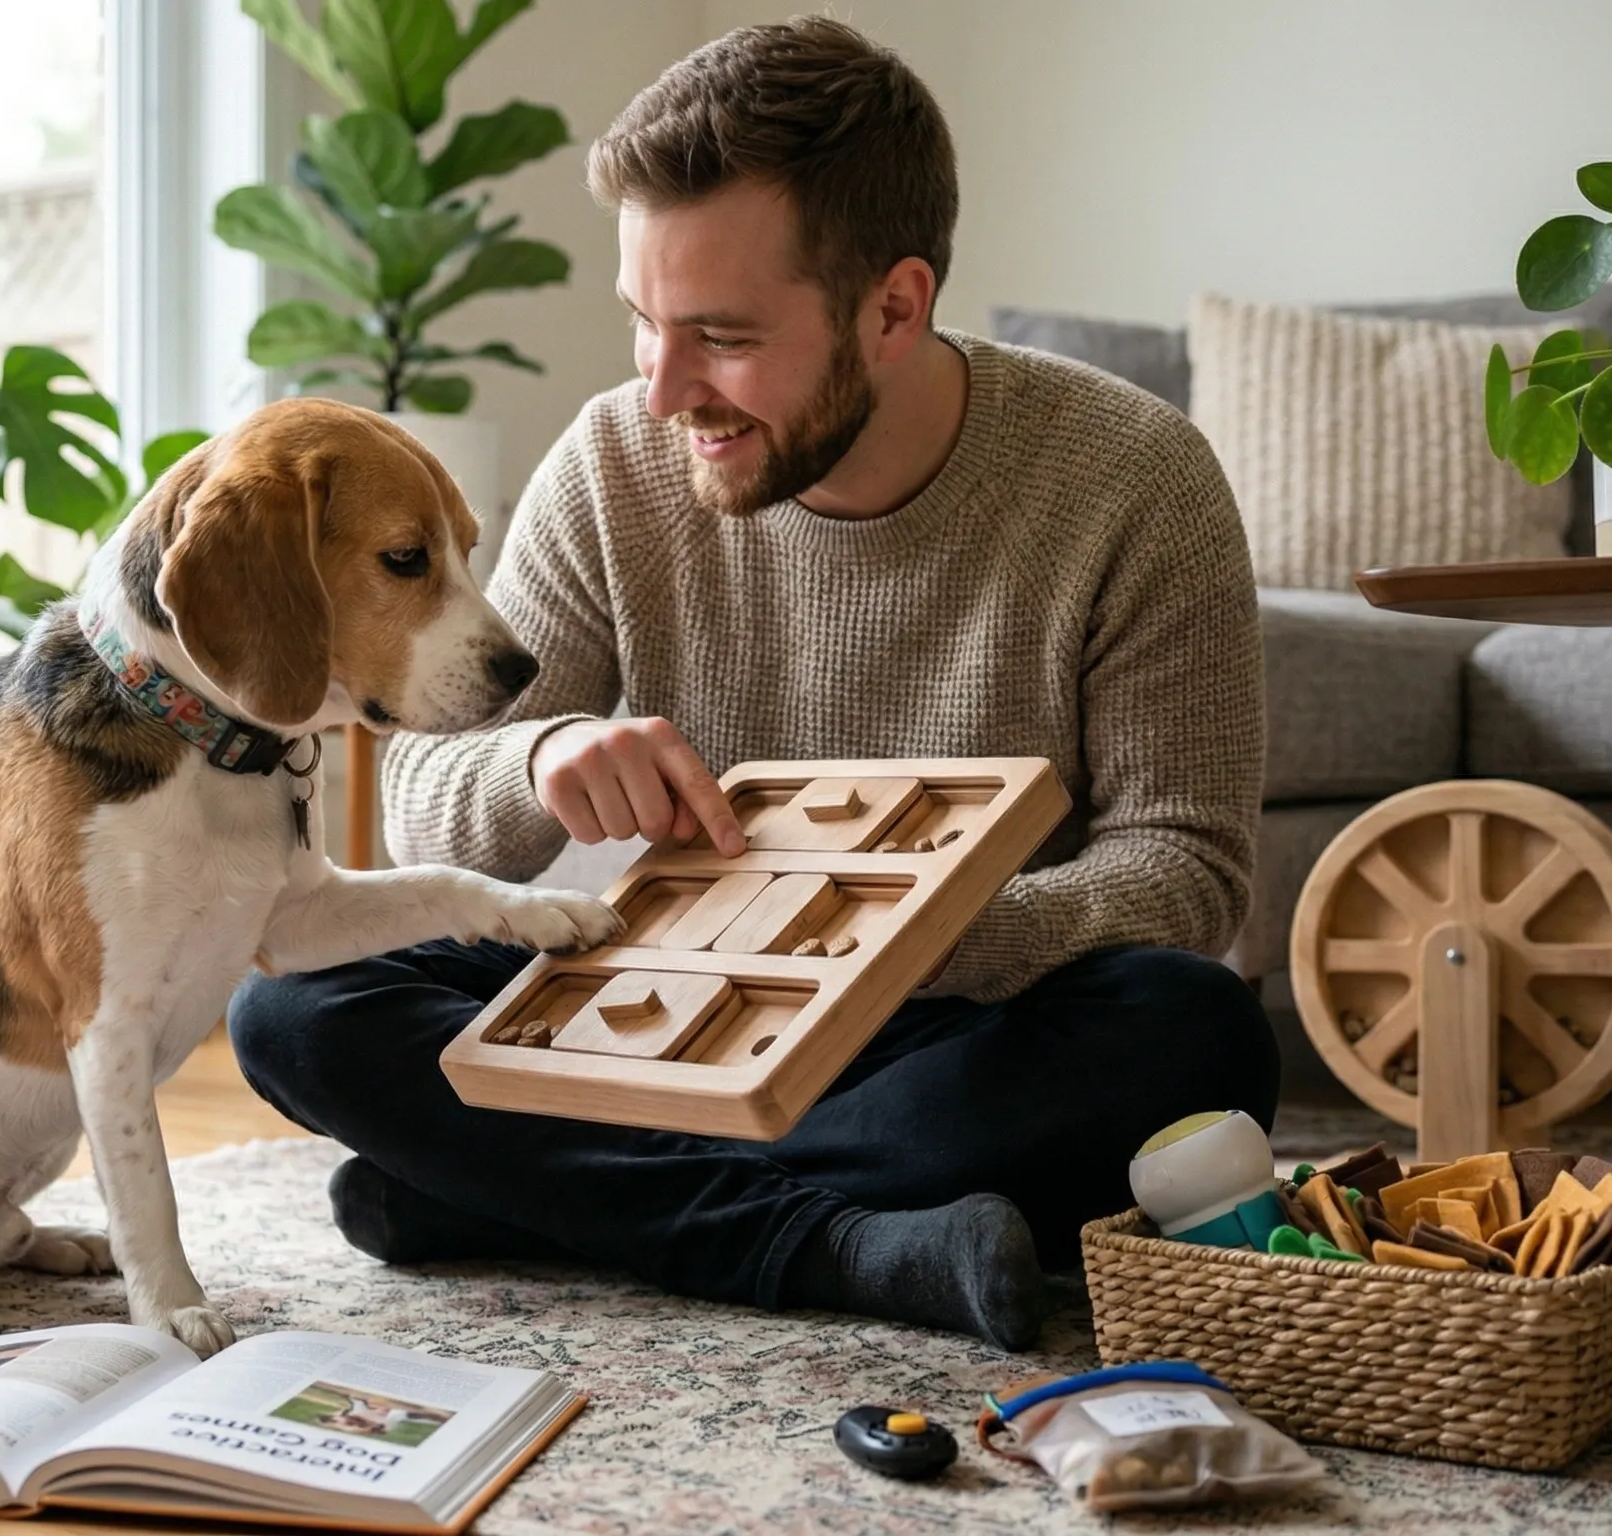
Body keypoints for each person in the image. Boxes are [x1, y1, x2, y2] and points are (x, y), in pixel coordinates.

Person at [226, 16, 1276, 1350]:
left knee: (1197, 1035)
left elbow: (1187, 874)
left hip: (948, 1033)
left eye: (721, 338)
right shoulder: (616, 462)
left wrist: (918, 934)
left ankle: (529, 1192)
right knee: (293, 999)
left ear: (893, 308)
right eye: (641, 327)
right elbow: (421, 800)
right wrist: (539, 763)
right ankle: (829, 1244)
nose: (663, 392)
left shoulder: (1133, 479)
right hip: (667, 1018)